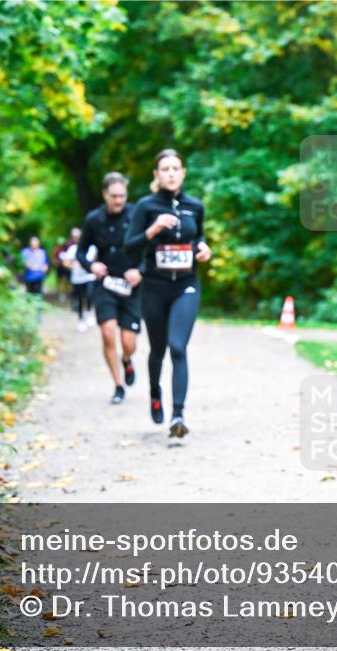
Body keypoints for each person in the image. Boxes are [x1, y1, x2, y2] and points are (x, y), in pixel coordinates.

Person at [124, 148, 211, 439]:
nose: (171, 173)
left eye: (176, 168)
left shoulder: (194, 206)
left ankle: (178, 415)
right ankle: (154, 392)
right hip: (154, 286)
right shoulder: (146, 206)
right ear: (157, 175)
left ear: (183, 173)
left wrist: (203, 248)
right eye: (165, 169)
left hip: (185, 284)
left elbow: (198, 236)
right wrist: (153, 229)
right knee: (158, 350)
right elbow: (130, 246)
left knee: (177, 347)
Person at [78, 172, 143, 404]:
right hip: (105, 284)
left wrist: (141, 270)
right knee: (107, 333)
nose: (118, 200)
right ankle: (118, 386)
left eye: (122, 196)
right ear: (105, 194)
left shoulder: (136, 214)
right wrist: (91, 264)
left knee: (129, 342)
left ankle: (127, 360)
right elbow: (81, 251)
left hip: (131, 286)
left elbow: (149, 246)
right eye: (114, 196)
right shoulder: (94, 220)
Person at [59, 227, 97, 332]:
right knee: (80, 299)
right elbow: (65, 263)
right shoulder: (72, 249)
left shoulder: (92, 248)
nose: (76, 238)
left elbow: (96, 259)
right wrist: (74, 266)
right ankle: (81, 320)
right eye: (74, 236)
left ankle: (89, 312)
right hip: (77, 278)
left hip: (89, 276)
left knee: (90, 295)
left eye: (78, 235)